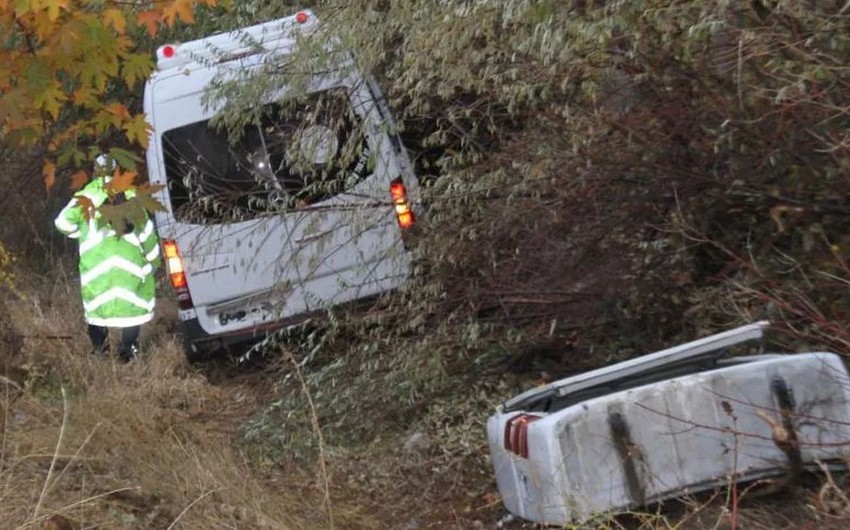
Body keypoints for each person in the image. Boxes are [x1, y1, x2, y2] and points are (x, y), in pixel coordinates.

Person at [54, 155, 161, 362]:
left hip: (97, 269)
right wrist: (154, 260)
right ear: (117, 170)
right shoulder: (131, 196)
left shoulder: (84, 197)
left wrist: (81, 234)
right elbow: (147, 233)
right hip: (129, 268)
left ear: (96, 172)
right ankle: (129, 351)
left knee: (96, 309)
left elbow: (62, 223)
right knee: (132, 308)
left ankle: (100, 351)